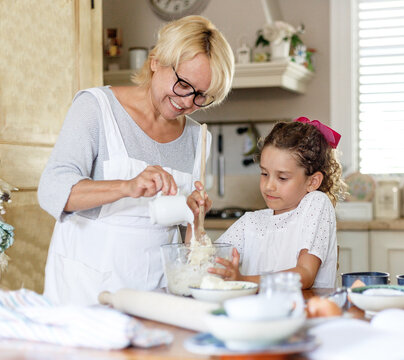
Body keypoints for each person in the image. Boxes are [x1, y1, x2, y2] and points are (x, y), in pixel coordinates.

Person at [37, 15, 234, 306]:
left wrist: (195, 217)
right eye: (183, 84)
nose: (188, 101)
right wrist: (127, 186)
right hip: (85, 291)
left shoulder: (197, 138)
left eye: (202, 95)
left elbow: (188, 239)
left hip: (155, 295)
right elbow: (52, 190)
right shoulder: (96, 109)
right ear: (156, 61)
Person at [203, 117, 347, 289]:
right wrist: (194, 219)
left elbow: (305, 274)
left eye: (282, 177)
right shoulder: (251, 222)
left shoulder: (316, 203)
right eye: (264, 174)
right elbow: (206, 262)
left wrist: (243, 280)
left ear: (312, 182)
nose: (269, 186)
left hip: (306, 312)